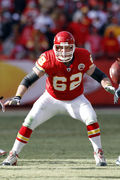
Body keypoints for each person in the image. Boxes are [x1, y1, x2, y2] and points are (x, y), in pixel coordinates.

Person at [2, 31, 115, 166]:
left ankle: (98, 152)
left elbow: (100, 76)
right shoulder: (47, 58)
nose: (63, 51)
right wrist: (18, 96)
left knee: (91, 117)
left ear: (73, 47)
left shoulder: (83, 56)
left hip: (76, 99)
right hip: (51, 98)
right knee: (29, 121)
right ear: (54, 47)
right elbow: (28, 79)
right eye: (60, 47)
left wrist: (108, 86)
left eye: (67, 47)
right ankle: (13, 154)